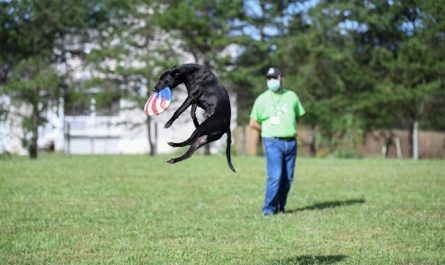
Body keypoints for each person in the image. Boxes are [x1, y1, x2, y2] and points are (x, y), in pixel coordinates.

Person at [249, 67, 305, 216]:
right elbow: (253, 122)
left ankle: (281, 206)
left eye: (274, 77)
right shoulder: (262, 99)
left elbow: (297, 115)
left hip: (291, 142)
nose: (271, 81)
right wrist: (267, 130)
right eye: (269, 78)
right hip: (272, 142)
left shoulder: (292, 96)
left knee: (288, 178)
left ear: (282, 78)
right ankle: (268, 209)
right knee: (275, 176)